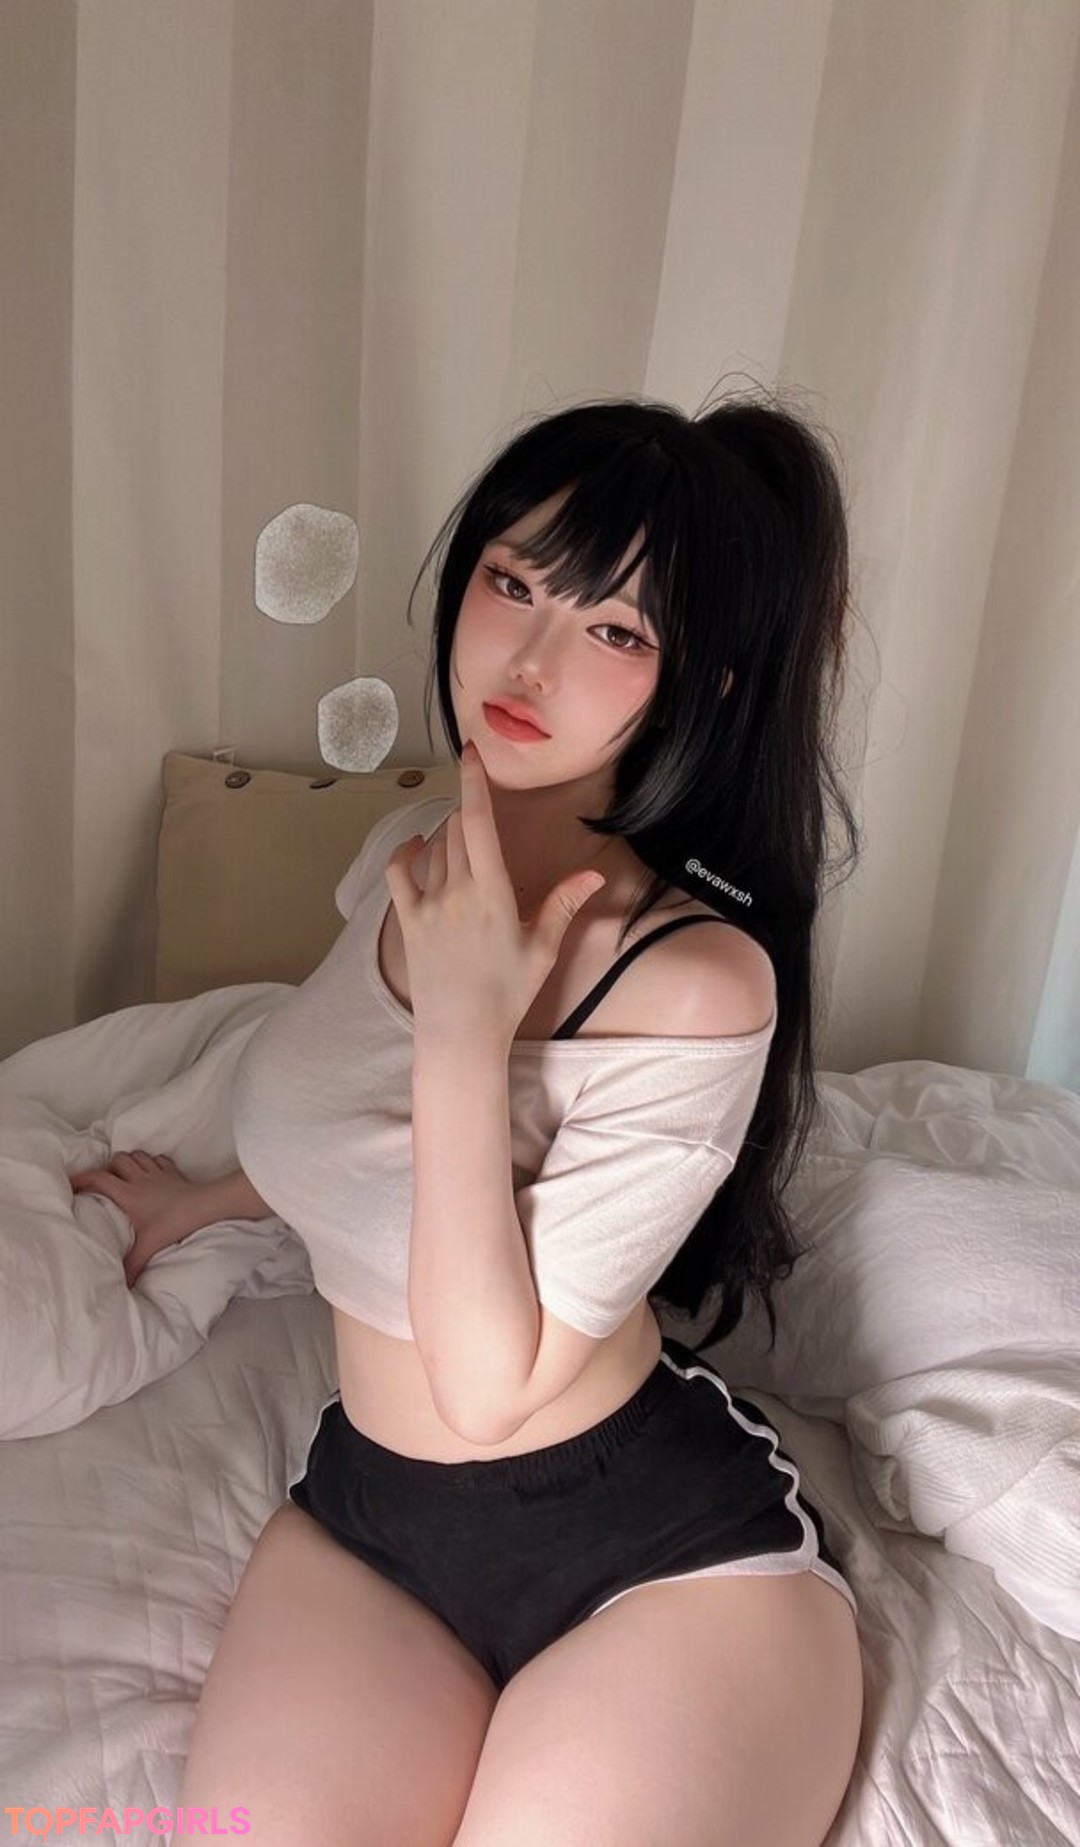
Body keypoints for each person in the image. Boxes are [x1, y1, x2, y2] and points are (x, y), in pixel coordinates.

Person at [73, 388, 865, 1846]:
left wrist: (463, 1031)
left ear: (701, 684)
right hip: (373, 1518)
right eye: (514, 581)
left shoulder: (696, 981)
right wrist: (209, 1198)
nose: (531, 658)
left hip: (654, 1558)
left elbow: (490, 1389)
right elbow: (346, 1119)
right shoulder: (409, 851)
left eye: (615, 631)